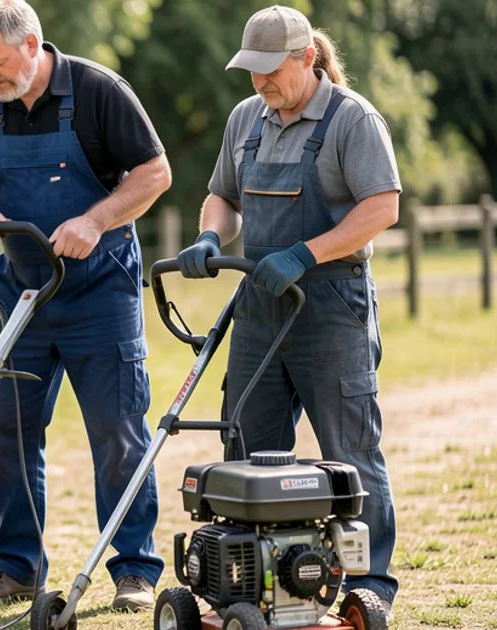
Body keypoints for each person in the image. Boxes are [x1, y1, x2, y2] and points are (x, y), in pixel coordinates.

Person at [0, 0, 172, 612]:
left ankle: (134, 570)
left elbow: (155, 173)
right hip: (18, 290)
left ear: (32, 42)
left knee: (118, 430)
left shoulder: (97, 91)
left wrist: (96, 220)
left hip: (100, 287)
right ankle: (17, 567)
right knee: (4, 427)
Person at [176, 4, 400, 616]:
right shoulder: (246, 118)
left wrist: (308, 253)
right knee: (247, 444)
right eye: (252, 71)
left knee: (350, 449)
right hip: (258, 304)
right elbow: (221, 195)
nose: (260, 83)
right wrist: (209, 239)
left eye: (271, 70)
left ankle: (367, 585)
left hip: (329, 305)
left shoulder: (352, 120)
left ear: (307, 58)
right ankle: (252, 581)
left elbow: (381, 207)